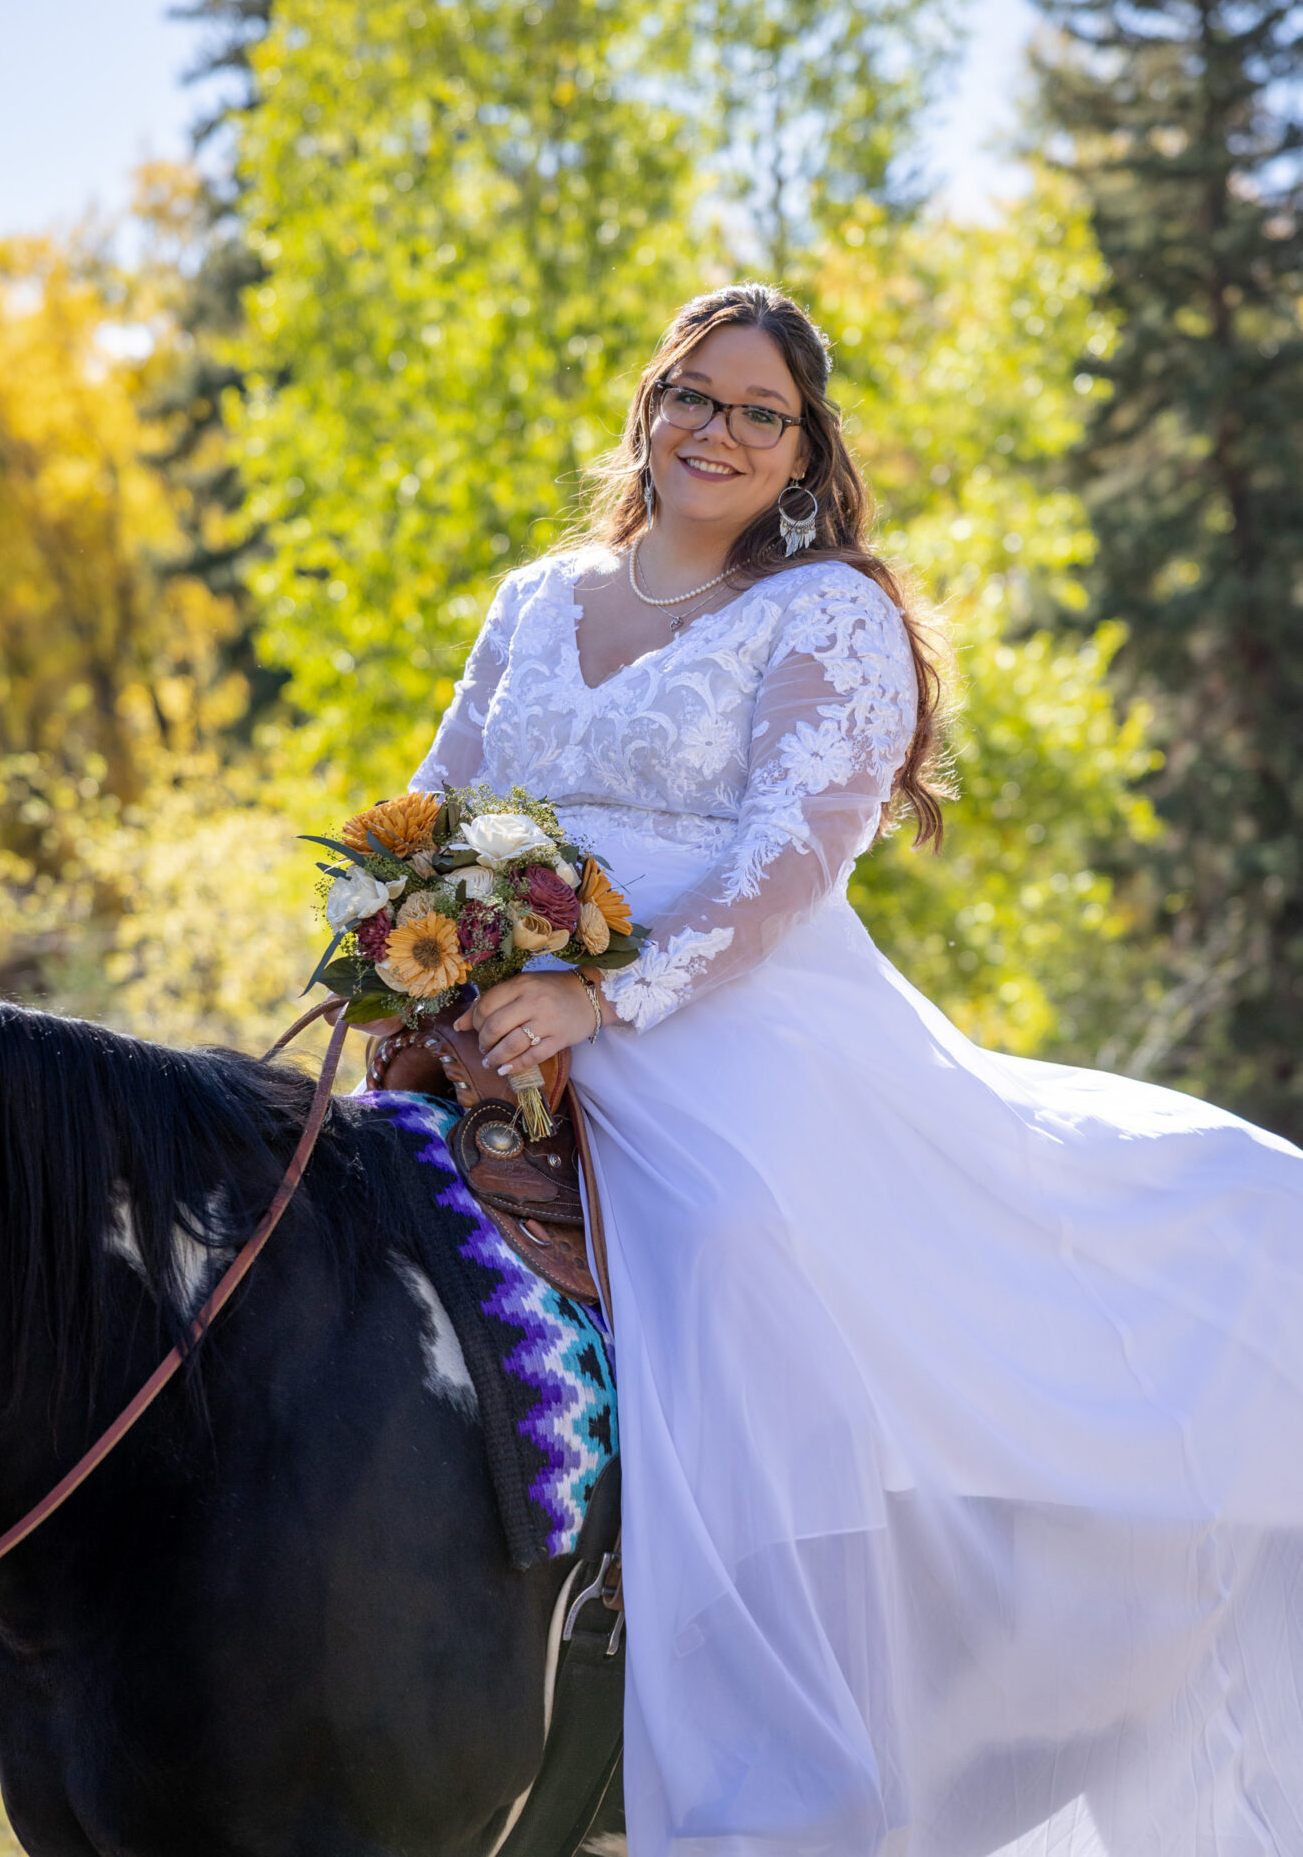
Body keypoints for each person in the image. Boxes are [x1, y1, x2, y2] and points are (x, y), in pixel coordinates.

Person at [364, 283, 1303, 1855]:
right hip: (495, 1004)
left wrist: (613, 1002)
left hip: (735, 1016)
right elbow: (438, 796)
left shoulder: (824, 610)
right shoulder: (537, 596)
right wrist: (388, 943)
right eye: (693, 396)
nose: (716, 432)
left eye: (758, 413)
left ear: (801, 452)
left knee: (734, 1243)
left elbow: (792, 851)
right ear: (646, 409)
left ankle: (763, 1717)